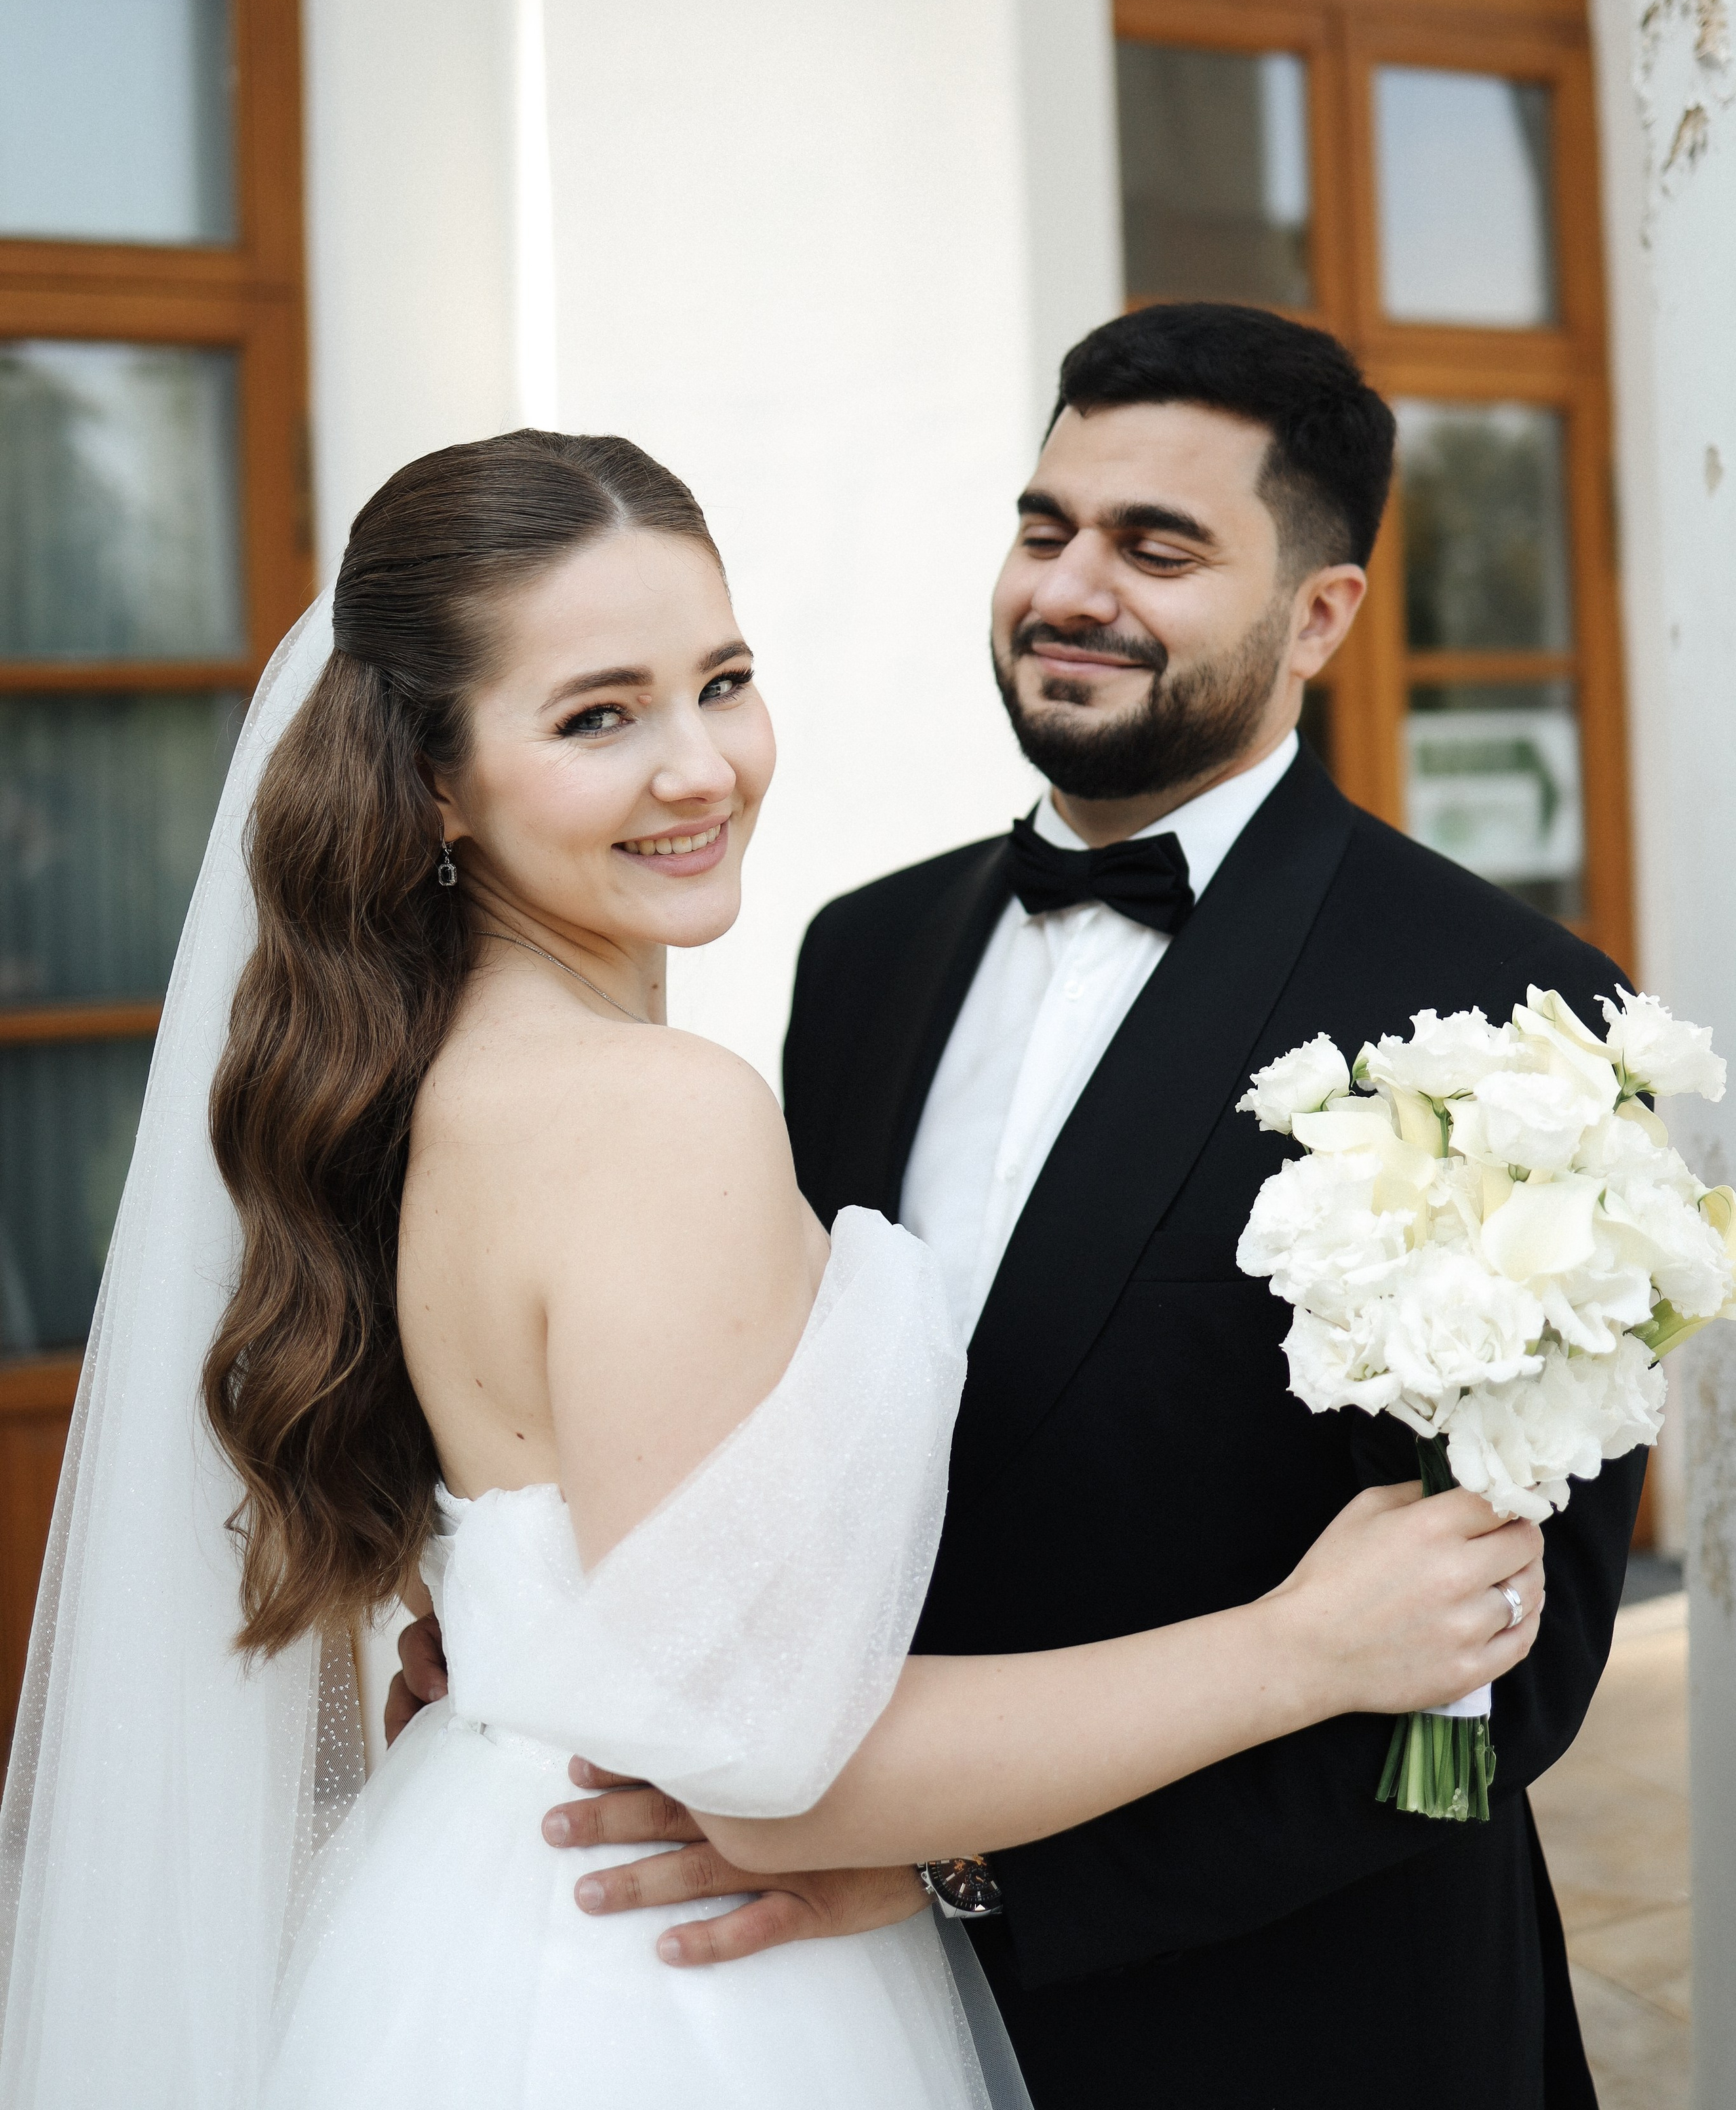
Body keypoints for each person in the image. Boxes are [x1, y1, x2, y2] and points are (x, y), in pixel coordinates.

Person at [0, 426, 1543, 2110]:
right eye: (599, 716)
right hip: (663, 1998)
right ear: (436, 779)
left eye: (719, 682)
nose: (700, 768)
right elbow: (757, 1774)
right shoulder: (656, 1115)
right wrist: (1305, 1649)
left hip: (493, 1900)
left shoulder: (405, 1068)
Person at [526, 311, 1643, 2110]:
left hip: (1320, 2028)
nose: (1072, 587)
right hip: (863, 2003)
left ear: (1324, 618)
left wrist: (979, 1875)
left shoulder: (1512, 1025)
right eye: (1047, 527)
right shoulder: (862, 954)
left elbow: (1494, 1691)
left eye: (1160, 546)